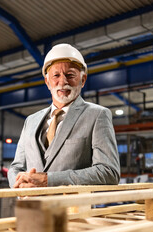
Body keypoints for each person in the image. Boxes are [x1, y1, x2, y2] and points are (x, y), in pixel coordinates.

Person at [8, 43, 120, 188]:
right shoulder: (31, 121)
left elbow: (109, 171)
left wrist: (49, 180)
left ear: (83, 80)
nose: (63, 82)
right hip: (31, 206)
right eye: (56, 75)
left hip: (71, 209)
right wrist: (19, 184)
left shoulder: (97, 115)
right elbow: (16, 167)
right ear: (47, 82)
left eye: (70, 75)